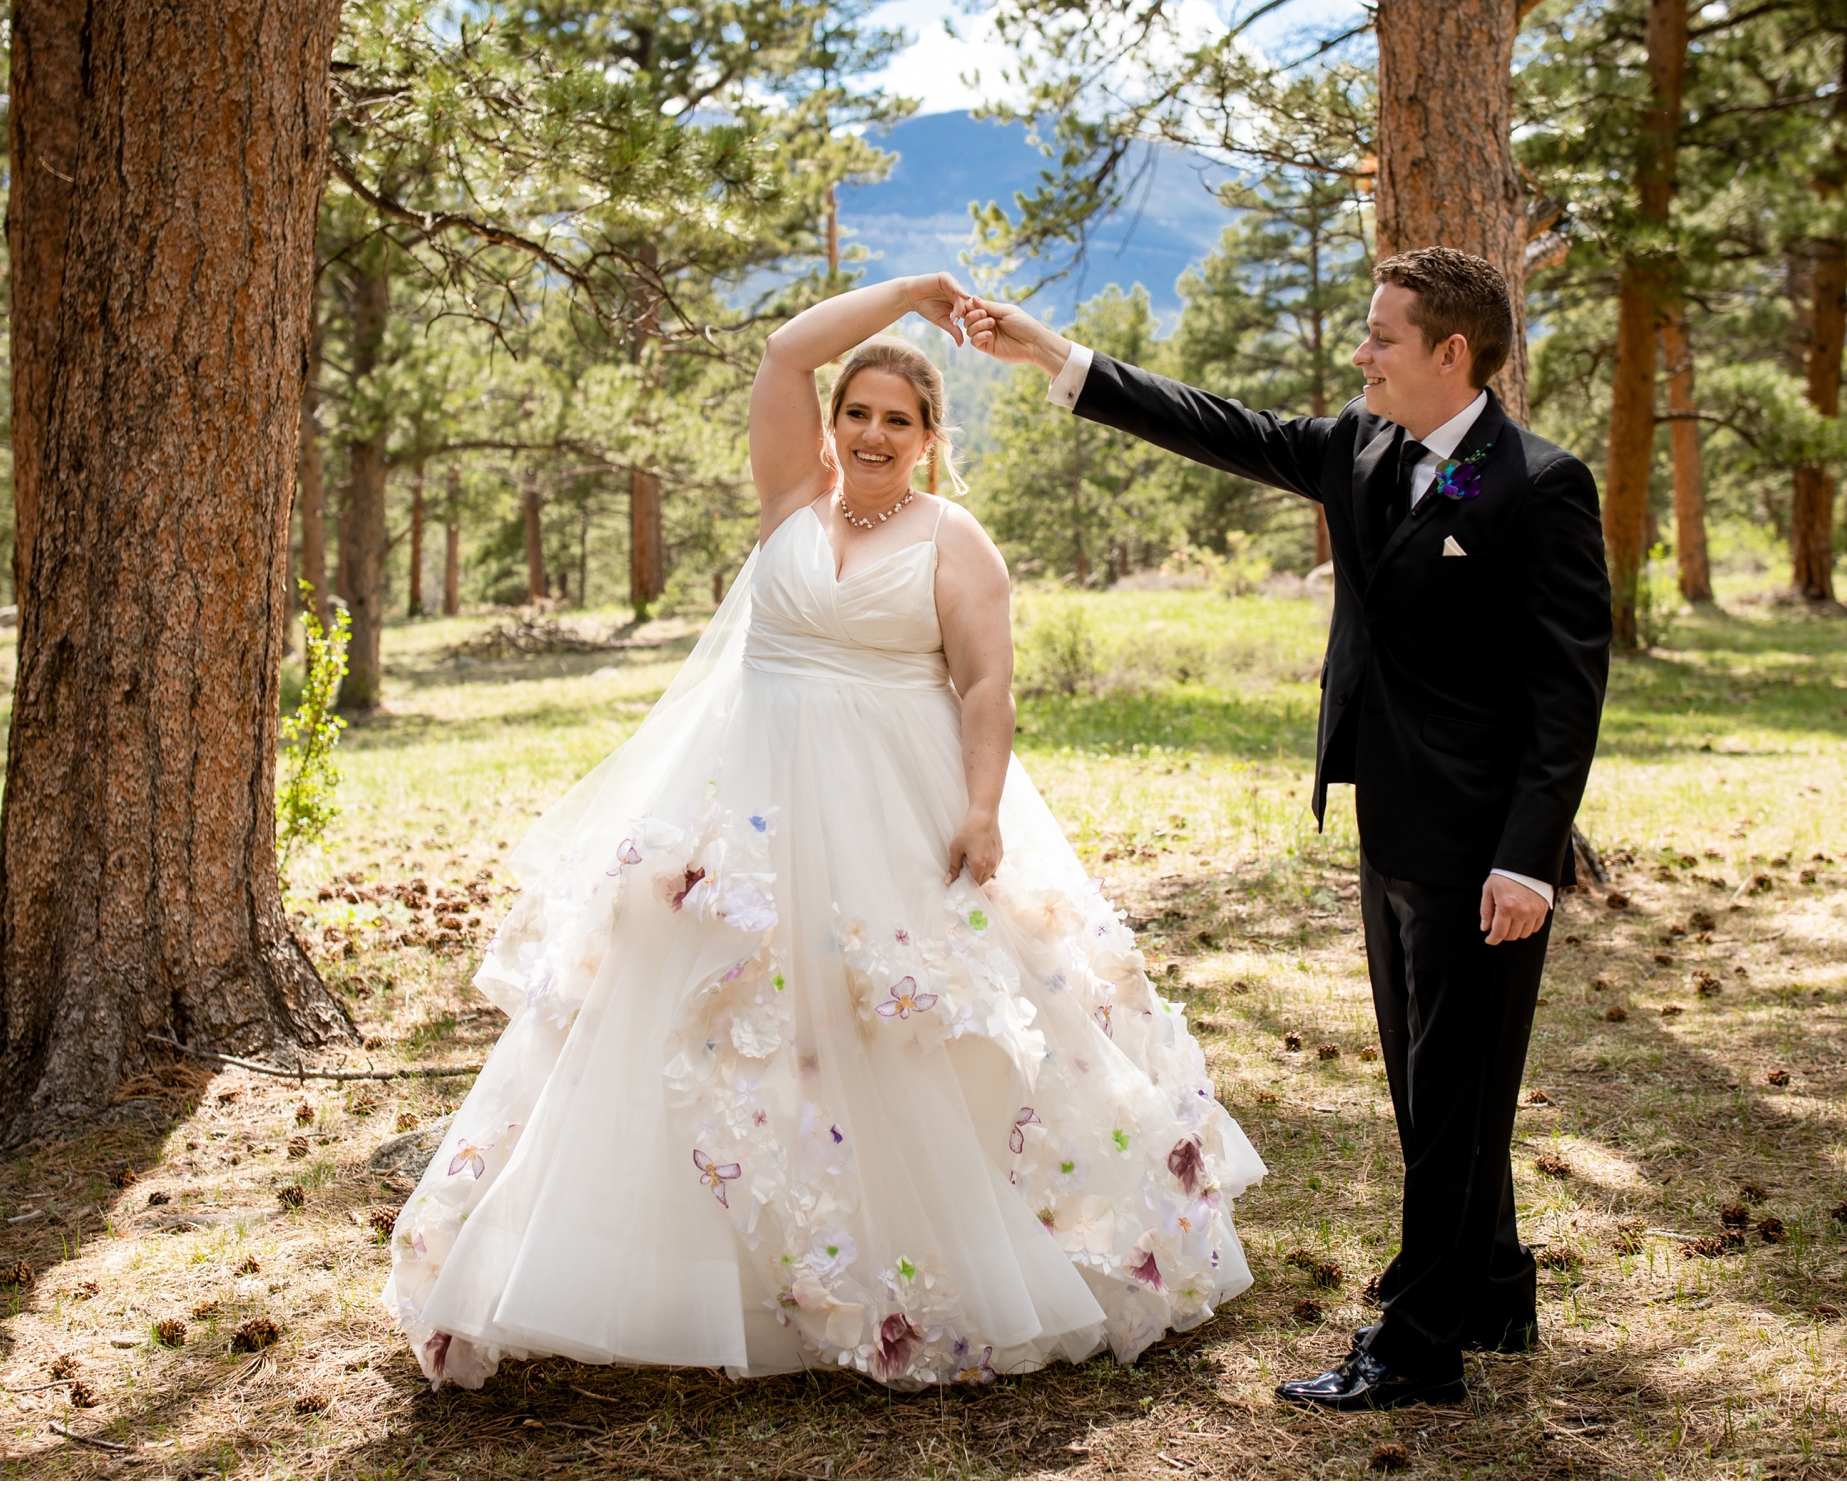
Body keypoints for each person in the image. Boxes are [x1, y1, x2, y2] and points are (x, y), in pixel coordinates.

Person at [382, 273, 1262, 1391]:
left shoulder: (957, 544)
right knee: (709, 1015)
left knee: (894, 1015)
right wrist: (912, 295)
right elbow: (786, 350)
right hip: (750, 800)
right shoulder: (792, 498)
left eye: (900, 419)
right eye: (860, 413)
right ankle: (685, 1275)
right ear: (832, 425)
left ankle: (924, 1255)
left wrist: (982, 811)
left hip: (896, 801)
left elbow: (986, 688)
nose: (875, 433)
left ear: (932, 439)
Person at [963, 246, 1609, 1410]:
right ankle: (1495, 1287)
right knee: (1437, 1091)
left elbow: (1569, 692)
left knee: (1457, 1091)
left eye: (1382, 337)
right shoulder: (1359, 450)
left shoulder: (1538, 485)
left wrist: (1528, 856)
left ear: (1451, 353)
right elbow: (1218, 424)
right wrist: (1053, 356)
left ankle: (1416, 1349)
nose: (1359, 353)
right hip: (1392, 827)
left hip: (1484, 848)